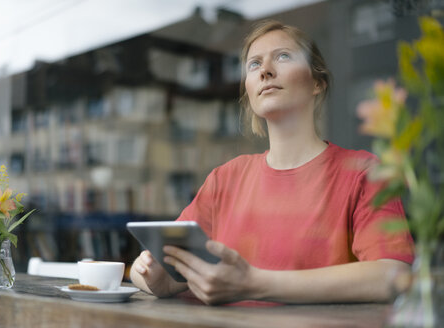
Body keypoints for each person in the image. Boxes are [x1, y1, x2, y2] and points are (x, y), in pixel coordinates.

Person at [130, 20, 414, 305]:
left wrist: (254, 284)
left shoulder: (363, 173)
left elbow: (393, 275)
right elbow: (149, 272)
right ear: (249, 91)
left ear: (317, 82)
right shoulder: (224, 178)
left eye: (283, 56)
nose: (265, 70)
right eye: (254, 64)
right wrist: (164, 281)